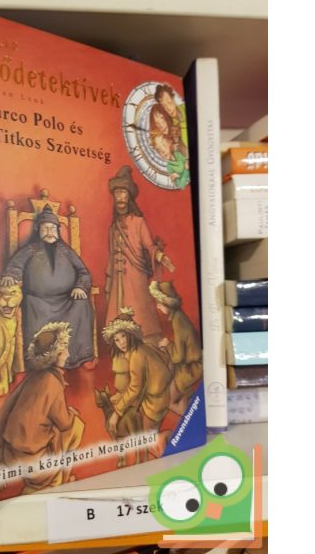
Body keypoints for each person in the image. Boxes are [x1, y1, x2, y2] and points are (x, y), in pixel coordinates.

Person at [0, 322, 85, 493]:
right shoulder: (53, 382)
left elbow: (4, 414)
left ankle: (57, 478)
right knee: (77, 426)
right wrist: (70, 414)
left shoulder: (32, 377)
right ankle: (57, 480)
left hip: (9, 456)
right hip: (35, 462)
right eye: (65, 348)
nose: (68, 353)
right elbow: (64, 423)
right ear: (56, 354)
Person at [1, 204, 95, 368]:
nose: (50, 232)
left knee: (81, 304)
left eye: (53, 228)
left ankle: (77, 357)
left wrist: (80, 287)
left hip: (67, 299)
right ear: (38, 230)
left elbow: (83, 272)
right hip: (38, 301)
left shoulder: (66, 251)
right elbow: (15, 266)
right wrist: (10, 275)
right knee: (30, 304)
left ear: (58, 230)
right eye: (45, 228)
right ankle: (40, 361)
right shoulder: (29, 250)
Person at [105, 165, 175, 344]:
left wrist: (160, 257)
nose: (120, 197)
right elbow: (111, 256)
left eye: (123, 192)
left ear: (129, 196)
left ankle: (146, 342)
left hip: (136, 276)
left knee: (140, 314)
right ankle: (122, 342)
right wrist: (109, 280)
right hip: (117, 280)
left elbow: (149, 246)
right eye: (117, 192)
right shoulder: (113, 227)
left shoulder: (138, 222)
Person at [102, 308, 172, 458]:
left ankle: (170, 438)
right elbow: (165, 358)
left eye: (123, 336)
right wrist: (164, 348)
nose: (121, 342)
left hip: (155, 402)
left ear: (131, 334)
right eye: (116, 340)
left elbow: (135, 388)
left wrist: (116, 413)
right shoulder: (143, 347)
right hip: (158, 397)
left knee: (148, 443)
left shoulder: (136, 355)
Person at [149, 280, 203, 416]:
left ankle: (191, 419)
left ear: (168, 304)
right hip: (189, 364)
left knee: (169, 401)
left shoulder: (178, 321)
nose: (158, 306)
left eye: (160, 303)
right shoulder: (178, 317)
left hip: (192, 367)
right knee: (180, 398)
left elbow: (178, 356)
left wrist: (167, 345)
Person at [154, 84, 189, 153]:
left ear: (173, 98)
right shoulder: (172, 127)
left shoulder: (187, 107)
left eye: (169, 102)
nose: (168, 109)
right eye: (164, 106)